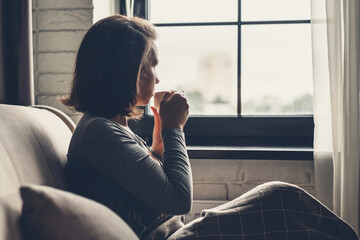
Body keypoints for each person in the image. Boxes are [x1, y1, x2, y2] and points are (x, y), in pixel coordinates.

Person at [62, 15, 357, 240]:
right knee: (279, 197)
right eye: (146, 66)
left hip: (176, 233)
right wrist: (174, 129)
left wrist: (160, 141)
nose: (156, 77)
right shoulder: (100, 133)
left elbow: (146, 188)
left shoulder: (110, 129)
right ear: (120, 74)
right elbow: (178, 199)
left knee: (281, 200)